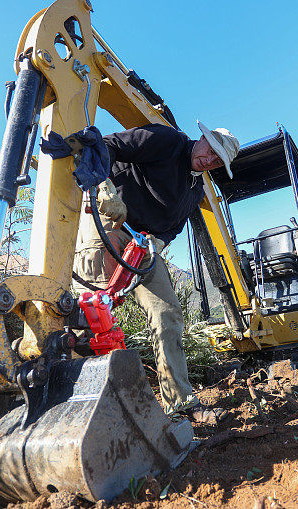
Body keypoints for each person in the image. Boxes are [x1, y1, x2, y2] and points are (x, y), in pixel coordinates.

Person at [73, 121, 239, 423]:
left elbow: (175, 226)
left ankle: (179, 403)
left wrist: (159, 243)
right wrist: (103, 186)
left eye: (218, 161)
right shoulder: (166, 140)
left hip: (142, 246)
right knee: (92, 314)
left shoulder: (195, 191)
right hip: (109, 221)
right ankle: (85, 407)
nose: (210, 160)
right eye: (211, 150)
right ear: (201, 138)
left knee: (167, 312)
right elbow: (107, 145)